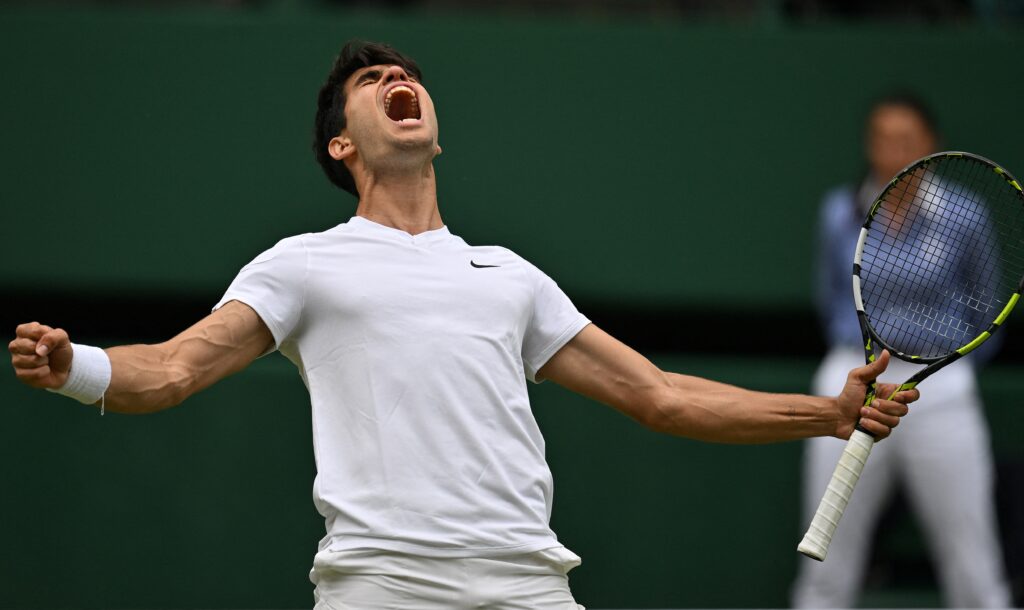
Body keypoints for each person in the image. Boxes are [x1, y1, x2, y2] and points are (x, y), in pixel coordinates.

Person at [9, 41, 917, 610]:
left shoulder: (510, 277)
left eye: (407, 76)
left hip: (527, 582)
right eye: (374, 81)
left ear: (434, 132)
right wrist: (74, 365)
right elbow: (171, 370)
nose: (400, 80)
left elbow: (662, 395)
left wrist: (827, 415)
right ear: (343, 144)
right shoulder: (302, 264)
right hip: (381, 585)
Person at [791, 93, 1012, 609]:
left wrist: (945, 369)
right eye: (882, 138)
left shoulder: (966, 215)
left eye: (906, 139)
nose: (892, 150)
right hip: (853, 376)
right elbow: (829, 297)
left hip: (941, 386)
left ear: (930, 145)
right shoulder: (837, 212)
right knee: (825, 559)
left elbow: (988, 309)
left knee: (972, 560)